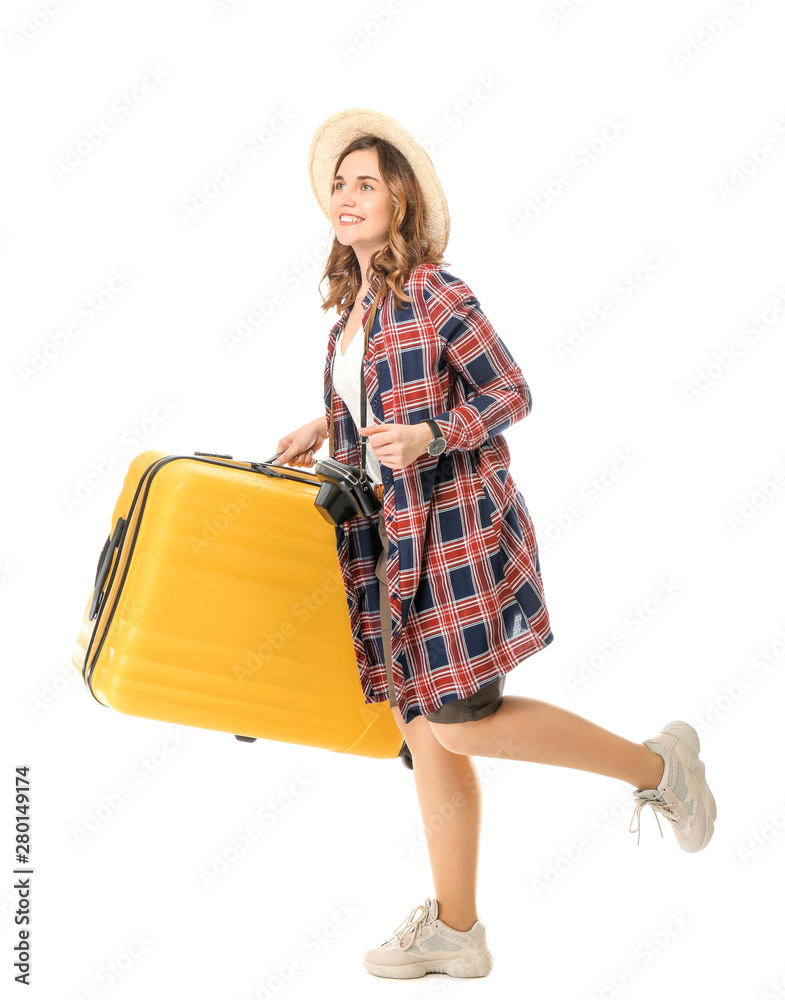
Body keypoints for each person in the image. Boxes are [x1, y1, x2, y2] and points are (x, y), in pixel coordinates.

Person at [275, 107, 717, 981]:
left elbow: (510, 393)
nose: (347, 196)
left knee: (461, 722)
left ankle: (660, 764)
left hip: (456, 532)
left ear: (399, 201)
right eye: (339, 183)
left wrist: (433, 437)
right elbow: (369, 420)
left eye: (366, 182)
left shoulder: (438, 292)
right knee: (428, 735)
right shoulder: (350, 315)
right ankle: (457, 929)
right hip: (390, 544)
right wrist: (315, 429)